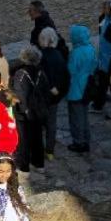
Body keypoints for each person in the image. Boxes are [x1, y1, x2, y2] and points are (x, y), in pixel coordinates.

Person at [10, 45, 51, 173]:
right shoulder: (41, 72)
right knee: (37, 137)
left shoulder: (20, 74)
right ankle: (39, 164)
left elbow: (19, 94)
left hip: (23, 114)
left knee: (23, 139)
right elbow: (46, 91)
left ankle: (24, 165)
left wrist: (23, 109)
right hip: (37, 111)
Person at [38, 27, 70, 159]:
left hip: (41, 97)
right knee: (51, 123)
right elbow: (65, 77)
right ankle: (49, 151)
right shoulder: (59, 55)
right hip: (54, 97)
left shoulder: (40, 56)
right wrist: (58, 91)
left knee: (39, 123)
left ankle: (38, 149)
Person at [66, 24, 96, 154]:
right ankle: (86, 139)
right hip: (87, 86)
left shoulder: (76, 53)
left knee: (76, 117)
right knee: (84, 116)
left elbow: (70, 70)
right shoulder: (90, 48)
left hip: (76, 87)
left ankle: (78, 142)